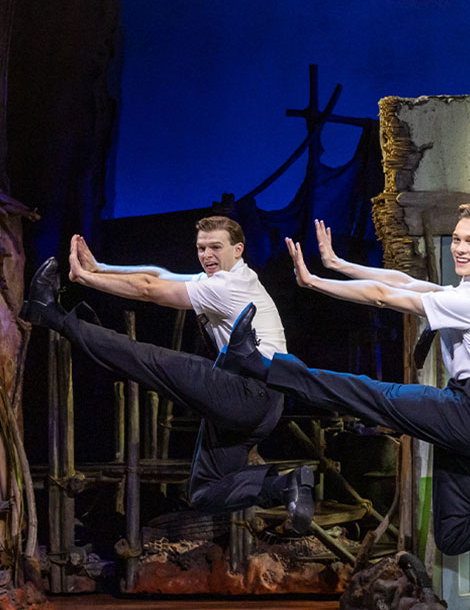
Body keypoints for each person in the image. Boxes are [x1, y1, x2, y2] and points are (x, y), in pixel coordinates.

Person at [223, 205, 470, 556]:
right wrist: (338, 263)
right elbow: (405, 281)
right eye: (457, 239)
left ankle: (259, 365)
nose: (460, 248)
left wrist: (316, 282)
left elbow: (384, 297)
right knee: (453, 535)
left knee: (365, 393)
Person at [20, 218, 312, 530]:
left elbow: (149, 289)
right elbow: (159, 274)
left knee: (145, 359)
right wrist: (100, 267)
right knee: (206, 492)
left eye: (216, 247)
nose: (207, 254)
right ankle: (286, 486)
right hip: (266, 406)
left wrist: (86, 279)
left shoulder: (227, 286)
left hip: (246, 391)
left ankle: (50, 313)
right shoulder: (226, 278)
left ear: (238, 250)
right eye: (201, 248)